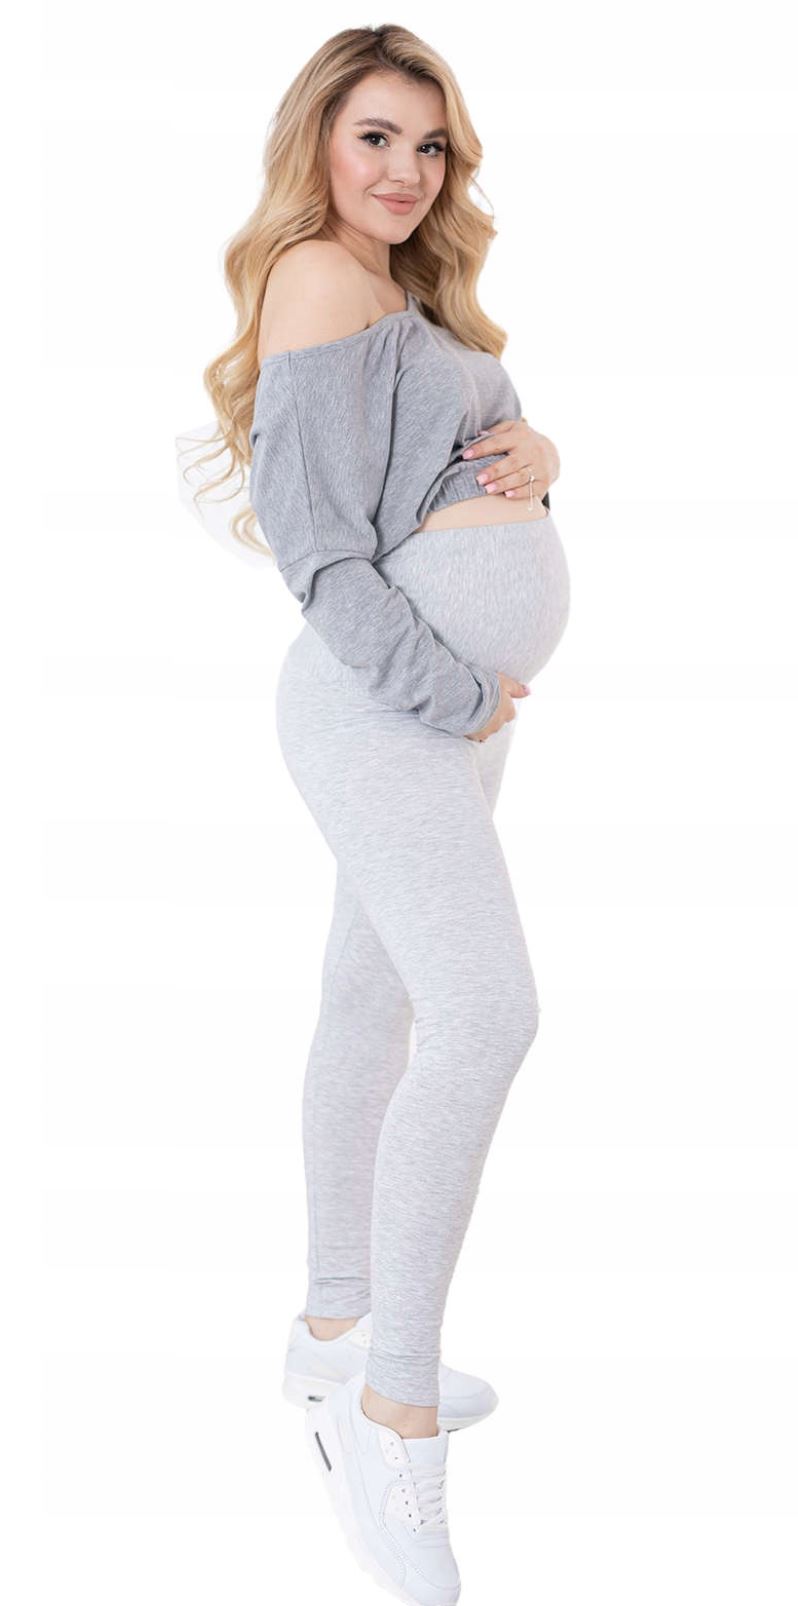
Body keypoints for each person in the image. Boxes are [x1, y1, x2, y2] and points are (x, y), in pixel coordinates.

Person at [183, 26, 570, 1606]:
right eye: (374, 138)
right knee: (486, 1013)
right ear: (318, 144)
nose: (405, 170)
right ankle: (389, 1409)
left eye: (429, 144)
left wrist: (543, 453)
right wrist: (453, 689)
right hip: (386, 702)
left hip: (431, 707)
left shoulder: (398, 287)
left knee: (376, 997)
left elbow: (445, 477)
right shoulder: (316, 279)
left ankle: (332, 1323)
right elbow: (319, 551)